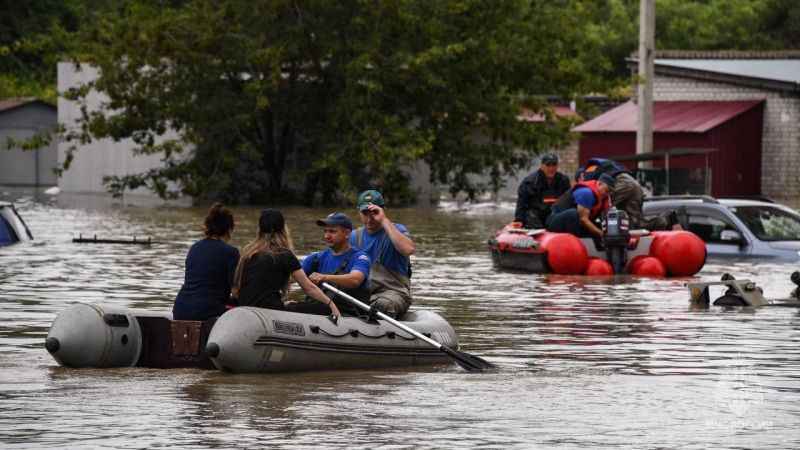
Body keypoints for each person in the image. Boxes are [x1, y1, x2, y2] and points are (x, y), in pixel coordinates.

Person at [233, 209, 341, 319]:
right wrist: (331, 305)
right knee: (324, 308)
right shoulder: (284, 254)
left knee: (290, 304)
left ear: (260, 229)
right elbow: (309, 288)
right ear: (283, 229)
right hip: (269, 311)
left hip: (246, 309)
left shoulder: (248, 253)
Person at [350, 189, 415, 319]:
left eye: (374, 213)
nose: (370, 218)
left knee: (382, 306)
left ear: (382, 210)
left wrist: (384, 220)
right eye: (365, 213)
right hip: (362, 295)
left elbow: (408, 249)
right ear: (359, 212)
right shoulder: (354, 236)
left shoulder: (396, 230)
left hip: (393, 293)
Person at [173, 203, 240, 321]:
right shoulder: (231, 252)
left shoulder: (194, 248)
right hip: (207, 311)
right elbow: (236, 291)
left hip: (180, 308)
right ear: (229, 229)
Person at [580, 157, 683, 231]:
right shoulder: (602, 164)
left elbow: (594, 195)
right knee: (635, 224)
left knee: (604, 208)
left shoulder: (588, 171)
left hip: (622, 184)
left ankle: (605, 238)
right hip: (634, 185)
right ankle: (667, 219)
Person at [299, 212, 371, 316]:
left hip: (349, 313)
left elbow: (355, 280)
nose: (327, 236)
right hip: (321, 309)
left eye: (332, 231)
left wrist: (324, 277)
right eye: (325, 231)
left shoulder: (360, 257)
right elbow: (295, 275)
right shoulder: (316, 258)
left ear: (347, 233)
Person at [546, 173, 614, 238]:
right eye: (606, 190)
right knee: (573, 214)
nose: (607, 194)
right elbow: (583, 219)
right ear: (599, 184)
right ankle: (575, 243)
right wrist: (601, 233)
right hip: (554, 221)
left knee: (598, 225)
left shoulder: (604, 198)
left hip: (575, 224)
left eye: (610, 192)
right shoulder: (586, 193)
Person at [513, 153, 571, 229]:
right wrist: (519, 220)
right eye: (548, 165)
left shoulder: (564, 180)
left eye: (554, 165)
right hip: (535, 216)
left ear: (557, 166)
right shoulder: (529, 182)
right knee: (530, 214)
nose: (551, 168)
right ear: (542, 166)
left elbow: (568, 200)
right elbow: (522, 203)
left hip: (554, 215)